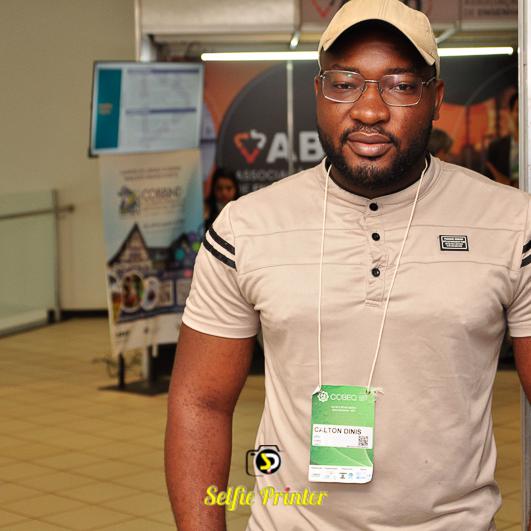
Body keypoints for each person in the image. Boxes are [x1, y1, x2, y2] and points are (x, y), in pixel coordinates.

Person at [165, 1, 531, 530]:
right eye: (344, 84)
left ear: (436, 99)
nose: (369, 110)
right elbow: (200, 403)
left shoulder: (511, 224)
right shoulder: (246, 228)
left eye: (400, 85)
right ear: (318, 93)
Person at [486, 93, 519, 187]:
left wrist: (509, 183)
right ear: (511, 112)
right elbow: (488, 182)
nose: (525, 114)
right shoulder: (496, 147)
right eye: (518, 109)